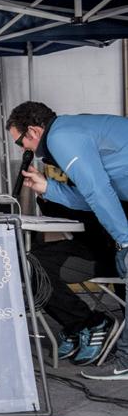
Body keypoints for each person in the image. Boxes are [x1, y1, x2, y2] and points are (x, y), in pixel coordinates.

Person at [9, 101, 128, 369]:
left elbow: (97, 192)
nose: (24, 151)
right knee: (29, 262)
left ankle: (93, 326)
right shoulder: (72, 129)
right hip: (101, 237)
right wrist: (48, 189)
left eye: (20, 143)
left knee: (34, 265)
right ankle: (84, 324)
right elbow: (90, 196)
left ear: (33, 131)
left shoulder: (62, 137)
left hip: (107, 241)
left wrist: (125, 240)